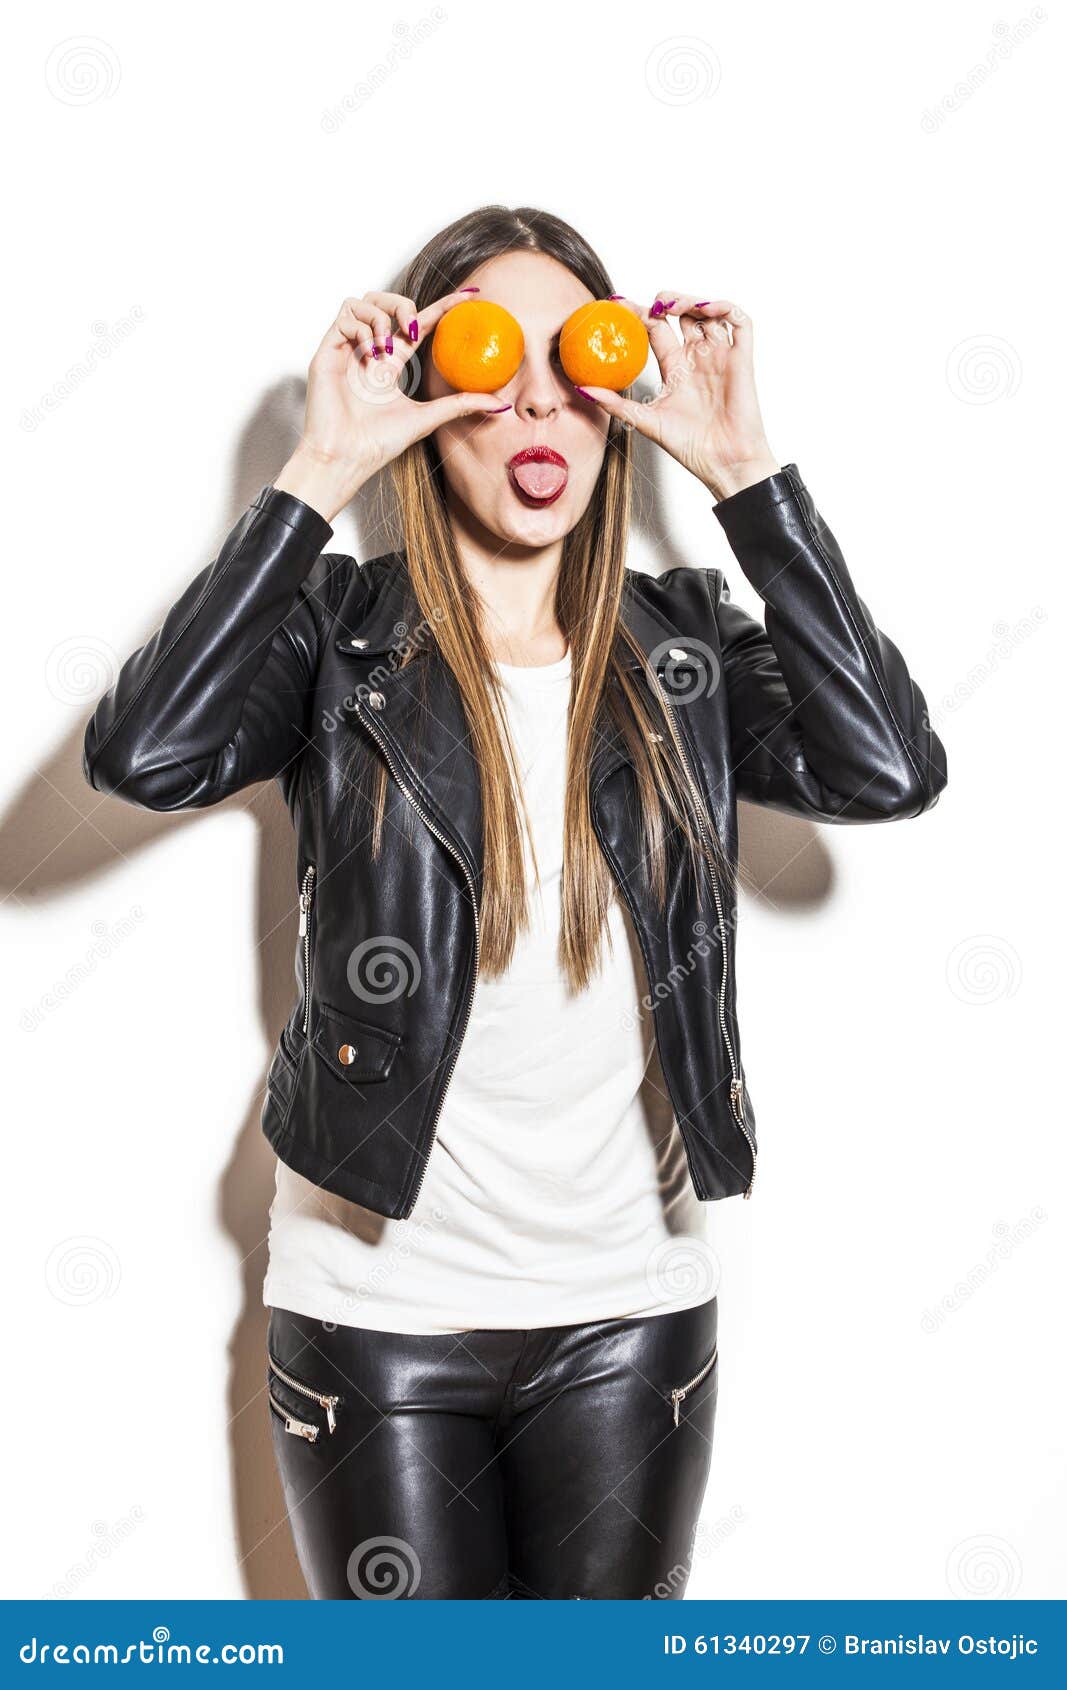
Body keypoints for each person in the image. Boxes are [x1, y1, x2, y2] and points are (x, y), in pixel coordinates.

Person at [83, 204, 948, 1599]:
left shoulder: (684, 654)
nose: (539, 393)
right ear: (436, 395)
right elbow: (144, 752)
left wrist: (745, 472)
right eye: (495, 356)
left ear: (618, 403)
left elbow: (890, 765)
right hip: (376, 1319)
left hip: (630, 1323)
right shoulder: (337, 635)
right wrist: (320, 464)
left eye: (580, 357)